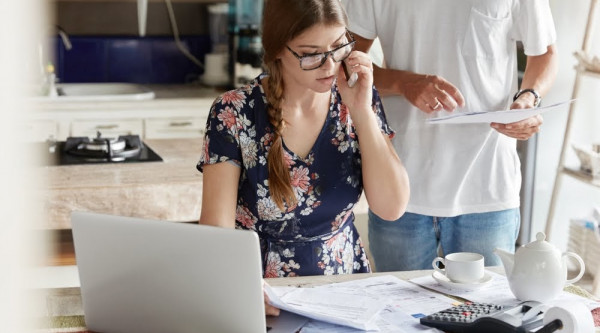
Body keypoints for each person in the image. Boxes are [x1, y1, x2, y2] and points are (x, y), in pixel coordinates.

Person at [197, 0, 409, 280]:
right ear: (277, 50)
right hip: (260, 287)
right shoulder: (233, 111)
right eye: (312, 55)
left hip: (343, 283)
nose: (330, 65)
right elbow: (216, 229)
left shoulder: (357, 100)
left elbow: (391, 208)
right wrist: (240, 289)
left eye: (338, 47)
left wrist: (361, 112)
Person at [344, 0, 558, 271]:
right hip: (400, 187)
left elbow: (546, 53)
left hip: (487, 187)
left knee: (486, 311)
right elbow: (346, 63)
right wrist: (402, 81)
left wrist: (529, 98)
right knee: (398, 309)